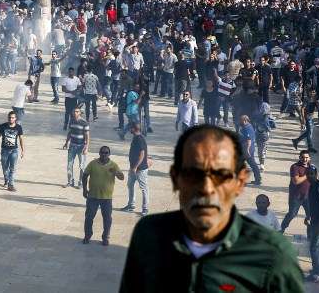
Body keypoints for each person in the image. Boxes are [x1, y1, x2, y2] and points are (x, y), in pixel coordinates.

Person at [120, 125, 304, 292]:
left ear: (240, 182)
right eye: (194, 174)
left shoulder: (273, 254)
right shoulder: (149, 235)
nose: (206, 188)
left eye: (220, 175)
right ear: (176, 179)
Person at [82, 146, 124, 246]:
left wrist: (116, 172)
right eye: (102, 152)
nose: (104, 154)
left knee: (107, 219)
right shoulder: (93, 164)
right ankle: (87, 236)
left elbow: (122, 177)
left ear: (109, 154)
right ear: (99, 153)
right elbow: (85, 175)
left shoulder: (113, 165)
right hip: (93, 196)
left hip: (107, 198)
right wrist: (84, 189)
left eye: (106, 153)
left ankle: (105, 238)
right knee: (89, 217)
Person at [280, 150, 312, 233]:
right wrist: (307, 175)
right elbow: (296, 181)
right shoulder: (295, 167)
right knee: (292, 214)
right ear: (299, 158)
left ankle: (310, 234)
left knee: (311, 215)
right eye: (303, 157)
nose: (305, 159)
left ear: (309, 158)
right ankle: (281, 229)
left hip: (308, 196)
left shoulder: (312, 167)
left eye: (306, 157)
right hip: (296, 196)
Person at [0, 111, 25, 192]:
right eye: (9, 117)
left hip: (14, 150)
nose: (11, 119)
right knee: (5, 168)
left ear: (15, 119)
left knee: (12, 168)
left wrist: (23, 150)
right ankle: (6, 179)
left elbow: (21, 139)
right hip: (4, 150)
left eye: (13, 117)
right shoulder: (2, 126)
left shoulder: (18, 127)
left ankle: (11, 184)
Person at [123, 124, 149, 215]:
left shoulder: (139, 139)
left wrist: (135, 167)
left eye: (130, 128)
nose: (129, 129)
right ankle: (131, 205)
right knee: (130, 185)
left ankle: (145, 208)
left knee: (143, 188)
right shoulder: (136, 137)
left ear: (133, 129)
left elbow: (142, 154)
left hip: (140, 169)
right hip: (133, 168)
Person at [63, 107, 89, 188]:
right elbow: (70, 132)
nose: (75, 113)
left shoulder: (84, 122)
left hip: (81, 146)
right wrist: (66, 142)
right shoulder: (72, 121)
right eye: (74, 111)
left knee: (82, 166)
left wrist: (86, 147)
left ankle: (81, 182)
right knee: (69, 165)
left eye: (77, 111)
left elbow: (87, 136)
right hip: (72, 145)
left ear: (80, 113)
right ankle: (70, 181)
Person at [239, 115, 262, 185]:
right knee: (253, 164)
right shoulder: (249, 126)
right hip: (248, 149)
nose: (240, 122)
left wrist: (247, 150)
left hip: (246, 150)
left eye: (241, 120)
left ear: (245, 120)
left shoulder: (246, 128)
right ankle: (258, 179)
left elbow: (249, 140)